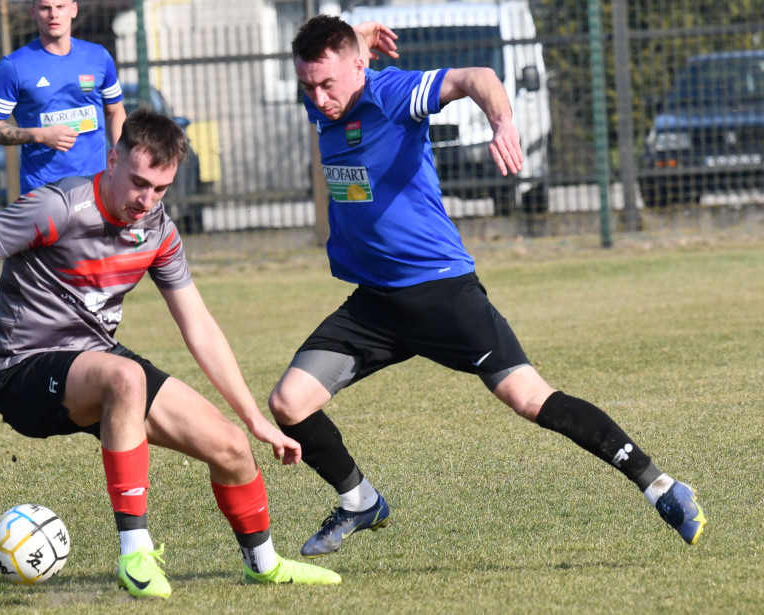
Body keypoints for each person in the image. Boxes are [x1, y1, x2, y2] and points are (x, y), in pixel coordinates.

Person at [268, 15, 706, 558]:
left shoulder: (395, 93)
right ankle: (360, 500)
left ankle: (660, 484)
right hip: (374, 306)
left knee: (530, 398)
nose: (317, 97)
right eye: (307, 86)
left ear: (360, 67)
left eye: (326, 84)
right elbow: (331, 52)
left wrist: (503, 123)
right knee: (289, 402)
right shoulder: (327, 91)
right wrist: (358, 32)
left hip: (441, 293)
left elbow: (477, 77)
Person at [0, 108, 341, 598]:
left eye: (160, 189)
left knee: (230, 447)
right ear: (112, 159)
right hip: (21, 369)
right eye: (139, 182)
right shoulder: (59, 207)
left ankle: (264, 565)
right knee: (126, 377)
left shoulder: (158, 230)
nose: (147, 199)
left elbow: (199, 326)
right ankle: (135, 554)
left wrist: (254, 420)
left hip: (95, 362)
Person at [0, 0, 127, 194]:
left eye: (60, 7)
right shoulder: (13, 66)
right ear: (33, 13)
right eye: (45, 8)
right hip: (43, 192)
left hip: (97, 189)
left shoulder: (98, 57)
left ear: (73, 10)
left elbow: (114, 112)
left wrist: (121, 158)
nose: (53, 14)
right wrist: (40, 135)